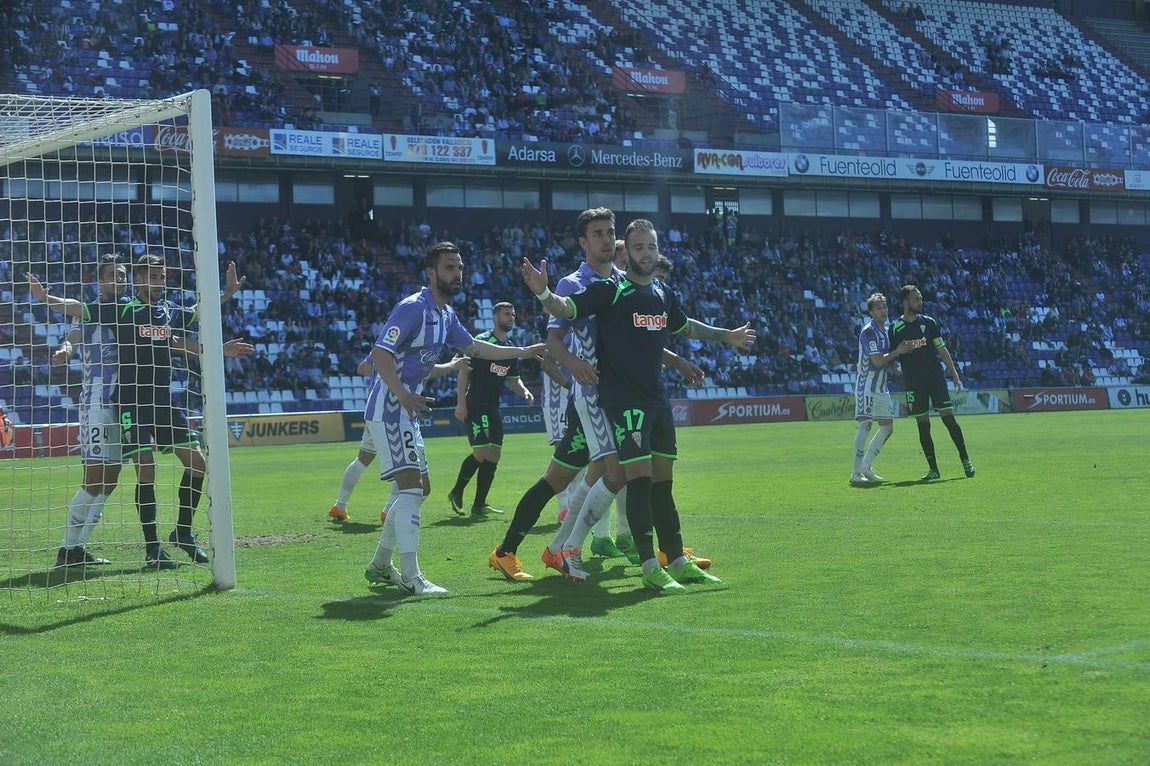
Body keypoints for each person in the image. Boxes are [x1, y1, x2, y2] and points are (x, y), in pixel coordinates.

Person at [522, 218, 755, 593]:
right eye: (638, 247)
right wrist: (543, 294)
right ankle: (649, 564)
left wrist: (725, 335)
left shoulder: (662, 292)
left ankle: (676, 559)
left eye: (651, 247)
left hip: (657, 399)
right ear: (626, 253)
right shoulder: (611, 290)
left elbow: (685, 326)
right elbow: (567, 309)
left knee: (664, 483)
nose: (646, 253)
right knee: (639, 482)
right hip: (624, 402)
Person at [486, 210, 699, 583]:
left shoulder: (623, 282)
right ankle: (565, 549)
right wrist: (573, 365)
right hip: (592, 395)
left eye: (609, 232)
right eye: (597, 234)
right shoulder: (572, 283)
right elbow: (553, 340)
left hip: (614, 394)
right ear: (584, 242)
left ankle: (508, 551)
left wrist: (677, 360)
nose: (605, 239)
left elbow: (638, 337)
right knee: (618, 470)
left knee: (557, 478)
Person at [30, 256, 253, 569]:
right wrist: (45, 299)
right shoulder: (120, 309)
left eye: (163, 277)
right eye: (153, 277)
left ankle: (182, 533)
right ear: (138, 279)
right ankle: (139, 549)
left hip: (161, 402)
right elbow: (76, 317)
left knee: (194, 464)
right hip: (123, 403)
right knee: (129, 472)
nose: (159, 282)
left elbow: (185, 328)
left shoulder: (165, 310)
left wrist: (226, 298)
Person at [361, 241, 543, 596]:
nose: (456, 274)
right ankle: (413, 577)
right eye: (449, 267)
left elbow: (476, 348)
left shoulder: (445, 316)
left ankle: (381, 564)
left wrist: (522, 351)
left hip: (404, 410)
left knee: (418, 489)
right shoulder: (413, 308)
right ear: (431, 273)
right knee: (412, 489)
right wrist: (403, 394)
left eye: (459, 267)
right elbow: (380, 354)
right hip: (389, 408)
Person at [48, 254, 127, 568]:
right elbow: (73, 337)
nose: (118, 280)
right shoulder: (90, 311)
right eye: (112, 275)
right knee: (93, 479)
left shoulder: (130, 310)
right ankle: (66, 550)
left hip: (123, 404)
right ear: (100, 280)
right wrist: (64, 351)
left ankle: (78, 550)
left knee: (111, 479)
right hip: (96, 403)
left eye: (122, 275)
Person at [328, 352, 467, 523]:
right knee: (411, 472)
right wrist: (451, 366)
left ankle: (339, 506)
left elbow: (363, 368)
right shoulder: (409, 345)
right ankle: (389, 512)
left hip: (375, 410)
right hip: (396, 413)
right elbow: (424, 371)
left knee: (362, 459)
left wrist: (385, 372)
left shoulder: (384, 347)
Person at [447, 302, 534, 517]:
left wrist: (524, 391)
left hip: (493, 407)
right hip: (476, 405)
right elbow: (464, 372)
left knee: (494, 454)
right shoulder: (482, 343)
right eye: (506, 314)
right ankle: (456, 492)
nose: (511, 317)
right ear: (495, 317)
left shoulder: (510, 350)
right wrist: (460, 402)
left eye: (513, 314)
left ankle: (479, 504)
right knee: (482, 451)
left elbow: (514, 381)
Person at [890, 284, 975, 481]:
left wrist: (954, 373)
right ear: (905, 302)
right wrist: (895, 369)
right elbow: (892, 355)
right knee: (923, 426)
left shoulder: (929, 322)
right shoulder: (895, 328)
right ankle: (933, 469)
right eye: (916, 299)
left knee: (949, 420)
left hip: (935, 380)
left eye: (920, 298)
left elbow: (942, 349)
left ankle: (965, 460)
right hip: (914, 383)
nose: (920, 302)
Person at [850, 292, 919, 487]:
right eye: (878, 308)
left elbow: (885, 359)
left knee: (887, 427)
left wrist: (894, 367)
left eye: (885, 306)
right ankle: (855, 472)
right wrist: (897, 352)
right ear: (871, 312)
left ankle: (866, 467)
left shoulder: (887, 331)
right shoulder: (868, 332)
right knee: (865, 424)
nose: (883, 310)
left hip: (881, 386)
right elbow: (877, 360)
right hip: (867, 385)